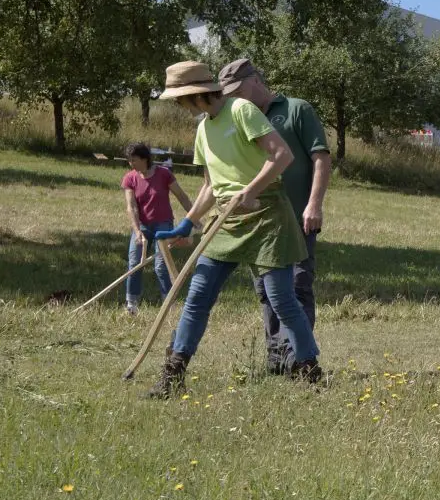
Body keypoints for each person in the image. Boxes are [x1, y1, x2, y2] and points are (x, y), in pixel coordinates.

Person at [144, 61, 321, 396]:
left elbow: (282, 156)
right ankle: (172, 374)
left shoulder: (241, 110)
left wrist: (251, 191)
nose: (180, 106)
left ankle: (309, 367)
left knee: (281, 298)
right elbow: (211, 185)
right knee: (198, 295)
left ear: (195, 94)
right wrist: (189, 222)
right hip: (226, 219)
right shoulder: (203, 128)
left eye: (181, 99)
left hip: (267, 213)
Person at [217, 58, 332, 373]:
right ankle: (277, 360)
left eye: (237, 90)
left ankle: (300, 361)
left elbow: (320, 158)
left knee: (297, 287)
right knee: (266, 293)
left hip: (298, 218)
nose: (233, 99)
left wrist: (314, 205)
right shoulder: (240, 117)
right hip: (263, 223)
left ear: (255, 80)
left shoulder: (296, 109)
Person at [121, 142, 193, 314]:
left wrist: (194, 217)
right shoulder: (130, 178)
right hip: (143, 226)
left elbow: (181, 196)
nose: (131, 164)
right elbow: (131, 207)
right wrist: (138, 232)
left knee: (161, 265)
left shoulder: (164, 174)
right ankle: (131, 304)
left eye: (134, 160)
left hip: (163, 224)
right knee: (134, 262)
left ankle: (169, 303)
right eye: (129, 160)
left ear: (145, 158)